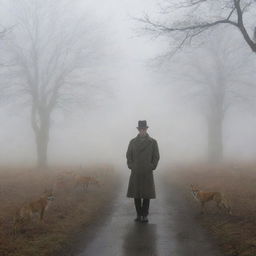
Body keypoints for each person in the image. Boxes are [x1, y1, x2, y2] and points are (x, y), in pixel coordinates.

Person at [126, 120, 160, 223]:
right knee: (136, 195)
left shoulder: (153, 142)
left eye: (144, 129)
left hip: (147, 171)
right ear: (138, 130)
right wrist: (131, 165)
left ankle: (145, 215)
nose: (142, 131)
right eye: (140, 129)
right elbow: (128, 155)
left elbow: (156, 156)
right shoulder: (132, 142)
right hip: (136, 171)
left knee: (146, 195)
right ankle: (138, 215)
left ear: (146, 129)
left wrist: (152, 166)